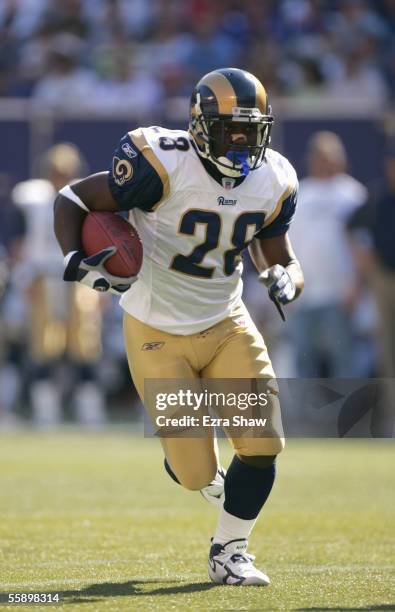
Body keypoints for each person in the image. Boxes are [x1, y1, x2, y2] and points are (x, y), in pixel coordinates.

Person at [54, 68, 304, 586]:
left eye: (250, 129)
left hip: (226, 321)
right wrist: (78, 259)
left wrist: (287, 278)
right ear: (198, 125)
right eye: (229, 129)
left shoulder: (275, 177)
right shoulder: (159, 163)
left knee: (262, 443)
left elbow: (280, 255)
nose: (241, 141)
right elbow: (74, 199)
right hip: (156, 329)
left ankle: (230, 551)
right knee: (194, 474)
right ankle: (188, 462)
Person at [289, 131, 367, 377]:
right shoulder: (299, 193)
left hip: (340, 292)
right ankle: (306, 416)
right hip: (304, 293)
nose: (323, 161)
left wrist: (356, 286)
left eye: (329, 156)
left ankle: (348, 415)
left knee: (343, 359)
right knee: (303, 358)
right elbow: (286, 242)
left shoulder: (353, 194)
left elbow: (364, 245)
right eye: (318, 155)